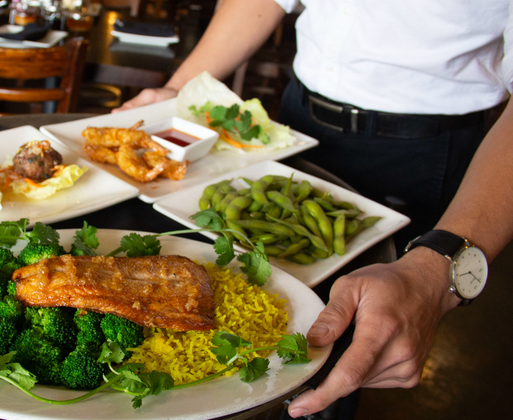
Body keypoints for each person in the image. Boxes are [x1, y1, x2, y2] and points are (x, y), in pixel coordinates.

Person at [115, 0, 513, 417]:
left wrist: (442, 265)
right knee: (251, 301)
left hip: (420, 146)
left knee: (346, 339)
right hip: (298, 116)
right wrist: (179, 89)